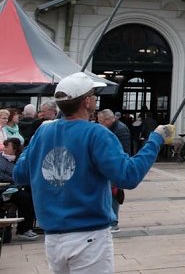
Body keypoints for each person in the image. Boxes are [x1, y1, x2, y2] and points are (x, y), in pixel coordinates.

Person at [13, 72, 168, 273]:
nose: (95, 98)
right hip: (89, 237)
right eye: (93, 95)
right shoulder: (97, 133)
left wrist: (35, 142)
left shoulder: (43, 132)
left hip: (53, 238)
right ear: (87, 102)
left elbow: (20, 174)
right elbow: (128, 176)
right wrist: (155, 140)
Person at [97, 109, 131, 232]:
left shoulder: (121, 129)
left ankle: (113, 222)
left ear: (108, 119)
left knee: (114, 194)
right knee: (109, 193)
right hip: (109, 166)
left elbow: (124, 150)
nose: (99, 124)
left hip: (116, 167)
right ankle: (109, 220)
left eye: (100, 121)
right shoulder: (110, 128)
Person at [0, 137, 39, 240]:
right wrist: (14, 179)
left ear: (14, 149)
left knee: (28, 195)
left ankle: (25, 229)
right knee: (24, 197)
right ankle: (24, 230)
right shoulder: (1, 159)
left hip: (15, 188)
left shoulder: (20, 160)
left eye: (7, 146)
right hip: (3, 189)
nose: (4, 149)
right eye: (5, 146)